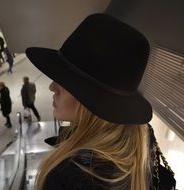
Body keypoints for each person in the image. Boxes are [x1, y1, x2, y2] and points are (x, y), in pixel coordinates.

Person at [25, 14, 153, 190]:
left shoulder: (68, 179)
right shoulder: (138, 149)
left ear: (89, 100)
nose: (52, 87)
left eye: (64, 81)